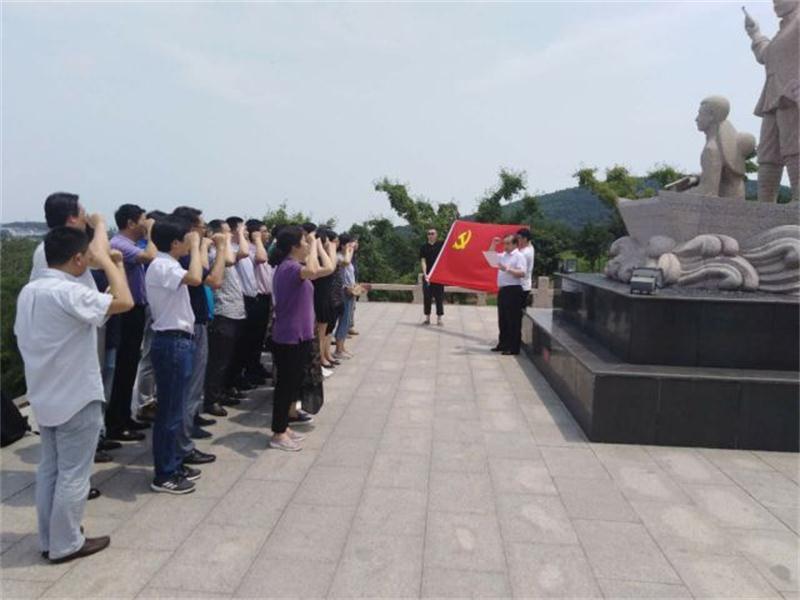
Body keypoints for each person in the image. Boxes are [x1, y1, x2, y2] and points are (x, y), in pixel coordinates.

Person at [15, 225, 134, 563]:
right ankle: (66, 543)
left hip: (45, 394)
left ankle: (49, 538)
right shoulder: (67, 292)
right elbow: (125, 301)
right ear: (78, 258)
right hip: (76, 395)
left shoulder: (31, 291)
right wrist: (110, 263)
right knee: (74, 474)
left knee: (50, 470)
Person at [145, 217, 203, 494]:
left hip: (179, 342)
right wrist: (197, 247)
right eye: (186, 239)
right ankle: (164, 473)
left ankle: (174, 463)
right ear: (175, 242)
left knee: (176, 409)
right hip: (171, 343)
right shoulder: (162, 265)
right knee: (169, 412)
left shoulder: (167, 264)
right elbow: (195, 278)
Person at [172, 207, 225, 461]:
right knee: (188, 389)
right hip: (189, 326)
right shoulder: (180, 259)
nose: (206, 232)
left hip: (195, 322)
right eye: (202, 228)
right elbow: (213, 279)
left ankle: (185, 435)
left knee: (190, 389)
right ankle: (182, 447)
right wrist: (222, 249)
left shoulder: (182, 256)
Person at [269, 226, 325, 451]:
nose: (308, 245)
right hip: (288, 336)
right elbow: (312, 270)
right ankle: (277, 433)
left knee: (292, 384)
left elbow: (320, 269)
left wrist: (317, 245)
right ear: (294, 246)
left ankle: (283, 427)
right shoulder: (290, 268)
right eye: (305, 241)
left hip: (299, 335)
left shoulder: (292, 267)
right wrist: (315, 246)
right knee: (285, 386)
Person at [106, 205, 157, 443]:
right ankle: (115, 422)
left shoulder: (129, 245)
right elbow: (150, 257)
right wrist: (152, 234)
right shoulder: (119, 244)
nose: (146, 223)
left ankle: (123, 416)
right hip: (125, 313)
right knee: (123, 368)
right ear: (130, 223)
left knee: (128, 368)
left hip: (134, 310)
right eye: (143, 220)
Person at [203, 219, 243, 418]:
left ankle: (220, 392)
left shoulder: (223, 251)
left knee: (227, 359)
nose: (231, 236)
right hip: (222, 311)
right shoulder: (214, 253)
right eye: (227, 233)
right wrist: (223, 242)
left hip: (234, 311)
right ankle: (211, 399)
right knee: (218, 361)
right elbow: (230, 259)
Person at [490, 235, 527, 356]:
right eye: (504, 243)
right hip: (503, 290)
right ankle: (503, 344)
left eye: (508, 243)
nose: (505, 246)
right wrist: (493, 244)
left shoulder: (519, 256)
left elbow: (522, 273)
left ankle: (513, 347)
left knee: (513, 320)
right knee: (503, 319)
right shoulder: (503, 255)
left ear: (515, 244)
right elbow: (490, 259)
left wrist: (508, 269)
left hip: (514, 290)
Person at [244, 219, 271, 384]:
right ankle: (250, 370)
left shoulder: (262, 248)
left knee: (259, 337)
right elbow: (260, 258)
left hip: (265, 298)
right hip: (256, 298)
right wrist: (256, 240)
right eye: (263, 231)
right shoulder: (252, 249)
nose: (267, 234)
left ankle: (256, 366)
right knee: (251, 338)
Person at [334, 234, 356, 360]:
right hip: (343, 291)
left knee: (347, 320)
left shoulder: (346, 255)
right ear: (342, 245)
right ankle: (338, 349)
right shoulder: (339, 257)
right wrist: (350, 250)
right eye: (349, 243)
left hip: (350, 291)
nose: (351, 246)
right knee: (343, 319)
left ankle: (342, 347)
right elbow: (346, 262)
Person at [420, 228, 444, 326]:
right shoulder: (424, 247)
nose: (430, 235)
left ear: (436, 235)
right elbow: (423, 261)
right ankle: (427, 318)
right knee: (427, 298)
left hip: (438, 276)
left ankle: (439, 319)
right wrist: (425, 273)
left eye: (432, 233)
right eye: (429, 233)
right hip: (428, 276)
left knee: (439, 298)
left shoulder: (441, 245)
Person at [517, 229, 535, 307]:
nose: (517, 240)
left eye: (519, 238)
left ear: (525, 239)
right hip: (524, 285)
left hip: (522, 286)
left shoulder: (525, 253)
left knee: (517, 312)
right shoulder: (530, 248)